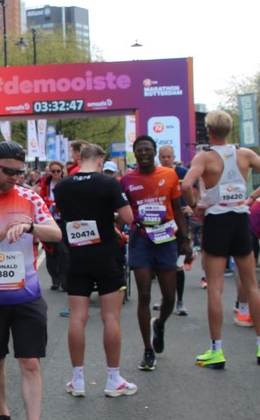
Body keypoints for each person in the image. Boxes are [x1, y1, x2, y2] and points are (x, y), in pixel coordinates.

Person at [0, 141, 61, 420]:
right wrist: (2, 232)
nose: (14, 177)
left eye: (19, 172)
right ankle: (4, 416)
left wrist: (30, 227)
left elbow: (56, 234)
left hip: (27, 294)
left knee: (30, 362)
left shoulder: (29, 197)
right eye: (9, 171)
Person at [180, 109, 260, 369]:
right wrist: (252, 198)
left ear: (209, 131)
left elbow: (185, 185)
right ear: (229, 129)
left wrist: (195, 207)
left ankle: (217, 350)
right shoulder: (244, 154)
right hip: (240, 219)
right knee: (251, 285)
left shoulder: (204, 158)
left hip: (217, 220)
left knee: (215, 287)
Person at [55, 142, 137, 396]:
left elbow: (68, 216)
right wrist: (111, 218)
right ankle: (113, 379)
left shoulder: (62, 185)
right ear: (100, 161)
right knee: (110, 317)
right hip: (106, 255)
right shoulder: (108, 183)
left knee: (77, 317)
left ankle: (77, 379)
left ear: (80, 159)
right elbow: (129, 217)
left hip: (77, 254)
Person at [121, 135, 192, 371]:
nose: (144, 153)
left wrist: (185, 239)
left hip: (166, 238)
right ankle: (147, 349)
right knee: (143, 294)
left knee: (169, 297)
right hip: (140, 238)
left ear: (154, 152)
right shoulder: (126, 180)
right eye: (139, 150)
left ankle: (159, 323)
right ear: (135, 153)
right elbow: (120, 210)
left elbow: (177, 209)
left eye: (147, 149)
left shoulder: (169, 175)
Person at [158, 145, 192, 316]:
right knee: (163, 265)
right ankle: (165, 299)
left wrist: (192, 206)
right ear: (159, 158)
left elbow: (195, 189)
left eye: (168, 156)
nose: (166, 160)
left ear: (173, 157)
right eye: (163, 157)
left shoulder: (183, 172)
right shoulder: (156, 174)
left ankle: (180, 301)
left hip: (180, 223)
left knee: (178, 265)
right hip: (162, 223)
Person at [37, 160, 66, 291]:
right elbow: (41, 200)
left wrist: (58, 206)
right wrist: (50, 204)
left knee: (63, 251)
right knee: (50, 252)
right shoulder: (45, 183)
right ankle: (55, 280)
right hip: (48, 221)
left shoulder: (66, 182)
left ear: (62, 171)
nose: (56, 174)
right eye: (53, 171)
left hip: (62, 221)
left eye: (58, 171)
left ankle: (64, 280)